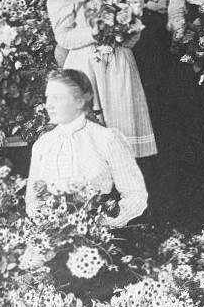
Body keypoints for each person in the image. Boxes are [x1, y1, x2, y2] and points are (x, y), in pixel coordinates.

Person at [47, 0, 157, 158]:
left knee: (121, 148)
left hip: (118, 68)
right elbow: (64, 36)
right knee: (87, 150)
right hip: (84, 68)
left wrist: (123, 32)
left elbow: (133, 39)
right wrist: (95, 32)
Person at [26, 69, 148, 228]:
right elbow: (32, 200)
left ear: (79, 101)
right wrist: (47, 224)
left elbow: (136, 195)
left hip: (98, 238)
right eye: (48, 97)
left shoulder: (107, 139)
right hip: (52, 238)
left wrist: (101, 223)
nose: (49, 105)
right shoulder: (43, 145)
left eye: (57, 98)